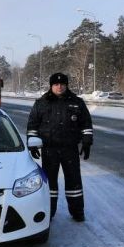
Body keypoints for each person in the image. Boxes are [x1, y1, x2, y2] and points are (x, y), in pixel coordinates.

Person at [27, 73, 93, 222]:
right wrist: (32, 143)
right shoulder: (41, 103)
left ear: (66, 85)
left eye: (62, 84)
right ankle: (49, 211)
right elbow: (32, 125)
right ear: (51, 86)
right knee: (50, 183)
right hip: (50, 150)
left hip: (69, 149)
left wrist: (87, 141)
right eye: (56, 84)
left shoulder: (77, 102)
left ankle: (77, 211)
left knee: (74, 182)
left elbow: (86, 124)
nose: (59, 86)